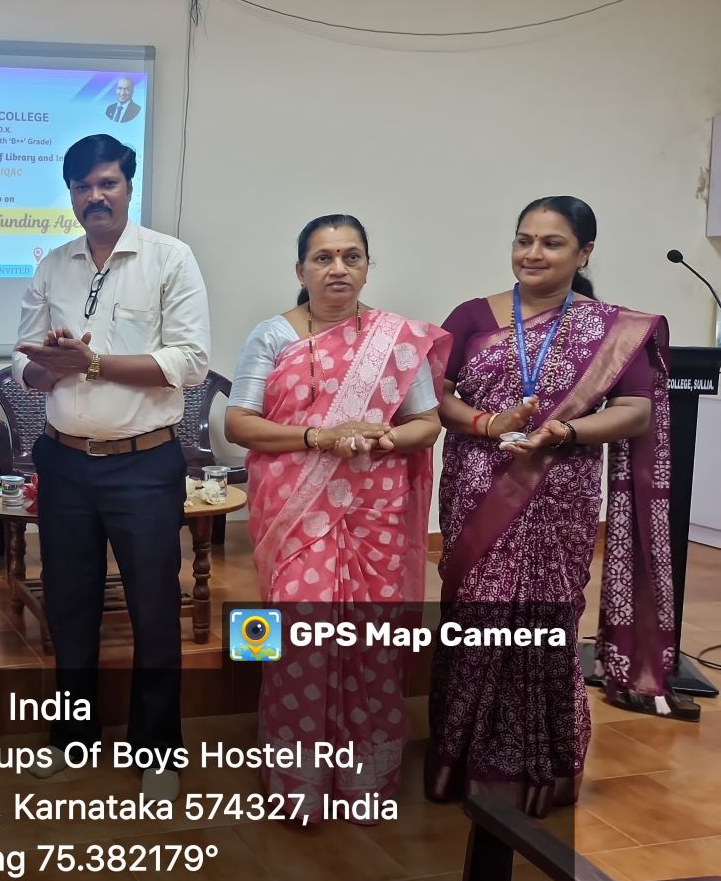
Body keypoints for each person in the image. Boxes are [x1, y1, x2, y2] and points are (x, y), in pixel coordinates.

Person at [428, 196, 695, 817]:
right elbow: (433, 394)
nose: (532, 253)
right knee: (475, 618)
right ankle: (461, 761)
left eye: (551, 243)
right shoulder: (471, 315)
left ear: (585, 252)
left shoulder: (611, 329)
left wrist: (566, 431)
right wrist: (488, 422)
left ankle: (540, 769)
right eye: (523, 239)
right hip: (478, 484)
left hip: (561, 491)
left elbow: (636, 411)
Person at [224, 215, 447, 823]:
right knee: (300, 637)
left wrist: (381, 437)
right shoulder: (273, 335)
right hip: (296, 511)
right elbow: (239, 423)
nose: (338, 269)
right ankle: (299, 781)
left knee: (372, 641)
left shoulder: (396, 341)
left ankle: (365, 776)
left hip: (374, 510)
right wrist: (318, 437)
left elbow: (427, 422)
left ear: (368, 267)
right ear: (300, 271)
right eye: (322, 258)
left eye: (351, 256)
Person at [13, 133, 208, 801]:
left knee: (154, 607)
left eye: (107, 184)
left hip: (143, 464)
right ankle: (73, 737)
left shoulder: (169, 258)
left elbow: (189, 361)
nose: (94, 197)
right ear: (70, 194)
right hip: (65, 463)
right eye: (82, 186)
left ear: (128, 186)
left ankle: (157, 748)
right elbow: (24, 368)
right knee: (69, 605)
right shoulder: (53, 265)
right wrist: (50, 362)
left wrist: (92, 362)